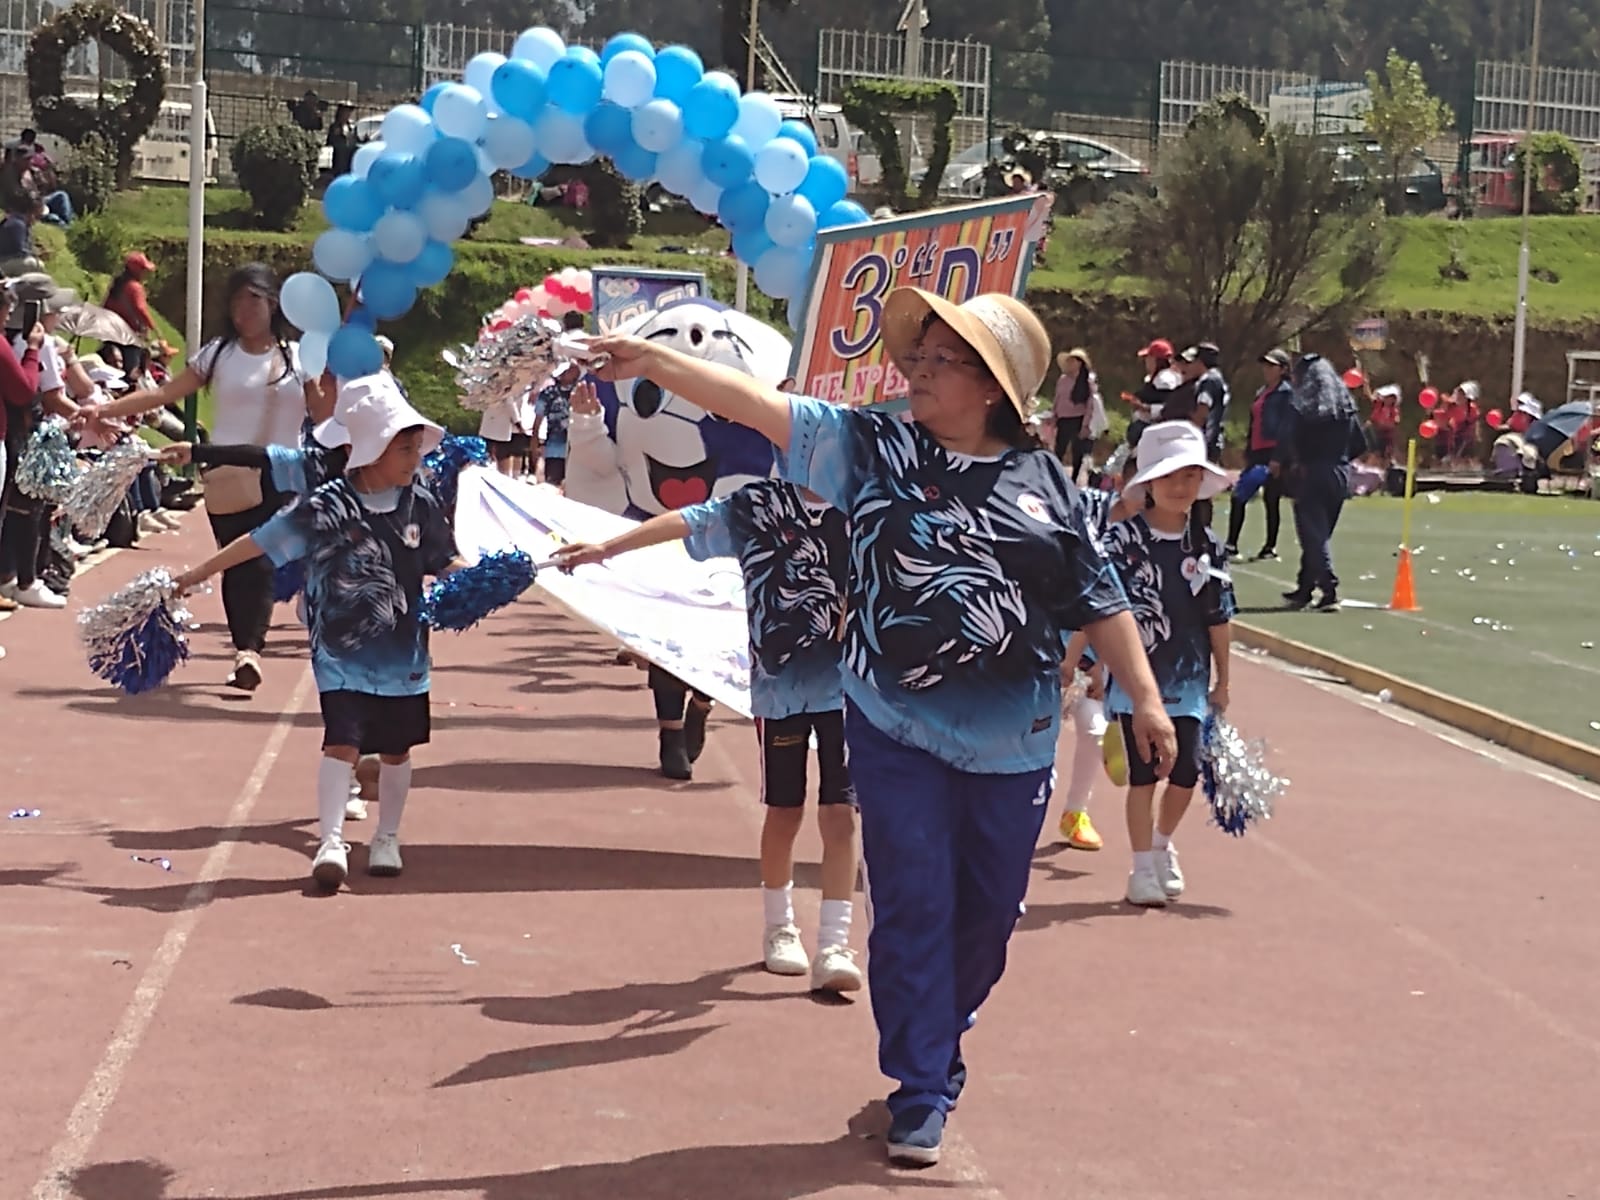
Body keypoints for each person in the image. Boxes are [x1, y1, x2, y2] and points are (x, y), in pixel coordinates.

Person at [586, 289, 1175, 1168]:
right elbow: (761, 408)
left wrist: (1148, 696)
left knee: (986, 920)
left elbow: (1098, 597)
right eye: (921, 356)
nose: (919, 372)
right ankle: (919, 1086)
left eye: (942, 361)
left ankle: (941, 1032)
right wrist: (657, 362)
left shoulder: (1047, 483)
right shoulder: (872, 446)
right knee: (912, 905)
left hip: (1014, 742)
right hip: (893, 723)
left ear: (991, 388)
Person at [553, 436, 863, 993]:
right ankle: (780, 928)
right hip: (782, 688)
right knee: (786, 811)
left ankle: (836, 944)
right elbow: (684, 523)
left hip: (848, 690)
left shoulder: (863, 508)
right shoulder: (758, 505)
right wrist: (606, 548)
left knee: (841, 816)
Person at [173, 374, 462, 889]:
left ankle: (386, 836)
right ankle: (330, 842)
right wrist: (195, 574)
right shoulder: (327, 505)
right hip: (340, 651)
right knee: (342, 742)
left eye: (418, 447)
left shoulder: (421, 503)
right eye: (405, 447)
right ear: (372, 447)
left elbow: (447, 561)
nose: (415, 457)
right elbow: (259, 542)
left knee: (397, 750)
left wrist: (482, 581)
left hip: (404, 655)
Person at [94, 264, 329, 688]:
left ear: (273, 303)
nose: (244, 309)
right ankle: (247, 648)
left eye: (253, 299)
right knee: (235, 562)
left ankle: (248, 652)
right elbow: (164, 394)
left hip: (281, 475)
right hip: (224, 476)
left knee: (257, 560)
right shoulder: (218, 353)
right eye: (237, 299)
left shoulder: (297, 358)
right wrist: (102, 409)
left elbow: (325, 415)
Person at [1098, 421, 1234, 906]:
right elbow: (1098, 609)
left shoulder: (1209, 546)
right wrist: (1087, 665)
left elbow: (1219, 616)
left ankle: (1160, 844)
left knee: (1186, 772)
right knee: (1143, 774)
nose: (1181, 487)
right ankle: (1139, 869)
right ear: (1149, 482)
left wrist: (1223, 679)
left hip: (1191, 678)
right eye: (1171, 476)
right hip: (1136, 681)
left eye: (1192, 477)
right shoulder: (1120, 542)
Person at [0, 274, 89, 610]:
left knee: (13, 509)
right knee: (33, 510)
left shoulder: (11, 340)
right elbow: (38, 392)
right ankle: (26, 578)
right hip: (30, 433)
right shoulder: (38, 344)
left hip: (14, 434)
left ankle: (9, 576)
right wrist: (91, 415)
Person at [1277, 355, 1369, 612]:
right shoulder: (1345, 408)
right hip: (1339, 472)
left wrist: (1288, 465)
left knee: (1313, 536)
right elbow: (1360, 444)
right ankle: (1305, 588)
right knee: (1319, 534)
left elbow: (1287, 438)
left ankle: (1329, 589)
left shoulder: (1301, 407)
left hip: (1310, 473)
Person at [1225, 348, 1293, 561]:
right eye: (1265, 365)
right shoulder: (1262, 391)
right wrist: (1248, 449)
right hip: (1257, 451)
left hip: (1273, 452)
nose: (1266, 369)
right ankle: (1232, 544)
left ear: (1282, 369)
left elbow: (1287, 426)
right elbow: (1255, 422)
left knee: (1270, 499)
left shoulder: (1285, 393)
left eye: (1271, 365)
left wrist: (1279, 457)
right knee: (1240, 496)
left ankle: (1269, 546)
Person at [103, 252, 158, 375]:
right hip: (130, 336)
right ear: (138, 271)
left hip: (112, 334)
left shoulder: (117, 285)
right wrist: (154, 328)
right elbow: (140, 308)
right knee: (131, 371)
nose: (146, 274)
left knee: (112, 368)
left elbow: (106, 307)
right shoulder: (135, 287)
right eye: (144, 270)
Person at [1051, 348, 1100, 482]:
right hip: (1063, 419)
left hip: (1078, 419)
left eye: (1073, 361)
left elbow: (1090, 405)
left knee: (1076, 452)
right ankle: (1054, 475)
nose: (1070, 363)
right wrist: (1054, 414)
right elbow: (1058, 397)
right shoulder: (1063, 380)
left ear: (1079, 363)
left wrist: (1085, 424)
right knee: (1059, 448)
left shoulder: (1087, 381)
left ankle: (1074, 479)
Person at [533, 361, 576, 487]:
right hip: (554, 450)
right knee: (553, 486)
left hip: (577, 450)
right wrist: (535, 445)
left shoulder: (579, 391)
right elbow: (538, 421)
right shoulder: (547, 394)